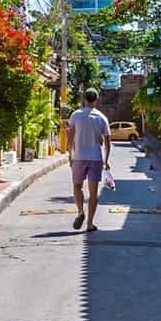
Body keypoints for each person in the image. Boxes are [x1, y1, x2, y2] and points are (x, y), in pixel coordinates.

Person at [67, 89, 111, 231]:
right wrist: (106, 160)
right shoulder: (101, 117)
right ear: (96, 100)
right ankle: (90, 224)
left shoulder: (76, 115)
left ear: (84, 99)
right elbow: (107, 141)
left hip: (79, 157)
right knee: (94, 192)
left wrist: (70, 154)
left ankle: (80, 212)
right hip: (96, 158)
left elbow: (70, 137)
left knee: (77, 186)